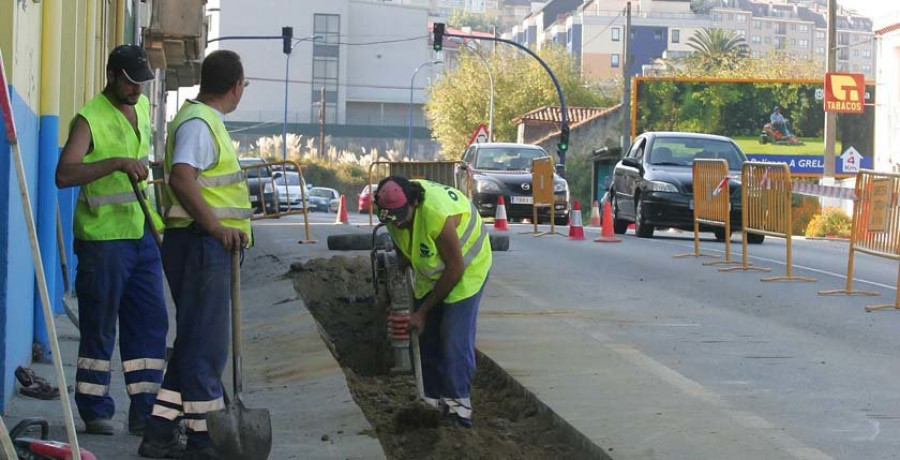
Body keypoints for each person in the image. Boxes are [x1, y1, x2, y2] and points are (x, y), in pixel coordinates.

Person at [138, 50, 252, 459]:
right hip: (201, 245)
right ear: (236, 86)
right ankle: (205, 441)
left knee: (193, 345)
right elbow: (184, 180)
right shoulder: (200, 124)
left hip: (204, 246)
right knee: (205, 349)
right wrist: (218, 227)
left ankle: (159, 431)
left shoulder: (203, 122)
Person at [55, 44, 168, 437]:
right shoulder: (89, 119)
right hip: (104, 242)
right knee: (100, 327)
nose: (137, 90)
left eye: (142, 83)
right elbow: (65, 174)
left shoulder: (138, 111)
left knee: (151, 324)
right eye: (130, 82)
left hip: (141, 237)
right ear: (112, 75)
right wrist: (117, 163)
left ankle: (145, 411)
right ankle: (95, 408)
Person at [375, 176, 492, 428]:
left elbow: (455, 267)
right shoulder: (391, 210)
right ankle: (429, 403)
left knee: (453, 337)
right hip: (433, 271)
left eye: (400, 216)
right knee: (425, 337)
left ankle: (458, 408)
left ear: (414, 202)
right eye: (390, 218)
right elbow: (399, 237)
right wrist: (403, 257)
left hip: (466, 268)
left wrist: (423, 311)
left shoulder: (435, 215)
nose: (397, 222)